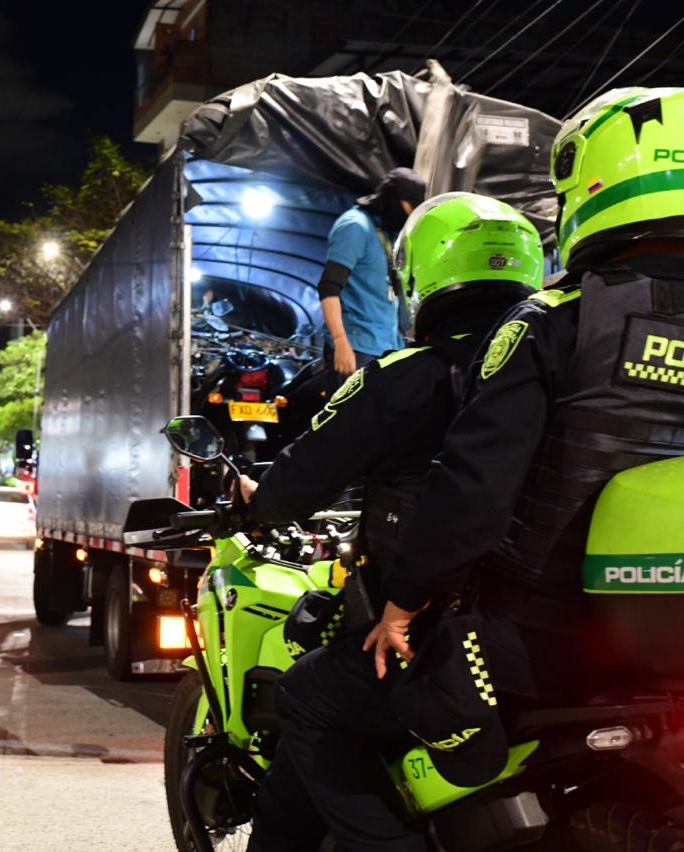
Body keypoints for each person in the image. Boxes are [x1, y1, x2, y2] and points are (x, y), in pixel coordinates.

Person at [350, 87, 684, 842]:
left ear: (594, 184)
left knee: (331, 706)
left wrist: (405, 599)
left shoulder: (555, 322)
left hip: (540, 636)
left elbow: (474, 488)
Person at [241, 193, 545, 851]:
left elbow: (298, 479)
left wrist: (256, 499)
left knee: (306, 698)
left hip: (434, 634)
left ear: (419, 279)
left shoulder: (401, 378)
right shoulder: (557, 361)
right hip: (543, 631)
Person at [319, 166, 427, 392]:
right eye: (410, 206)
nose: (410, 214)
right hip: (356, 347)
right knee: (350, 423)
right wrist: (340, 342)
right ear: (393, 199)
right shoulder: (355, 226)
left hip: (385, 347)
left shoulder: (385, 234)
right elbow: (329, 288)